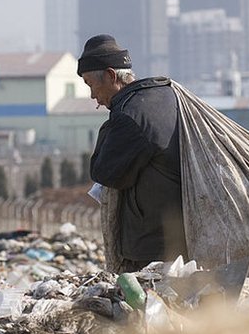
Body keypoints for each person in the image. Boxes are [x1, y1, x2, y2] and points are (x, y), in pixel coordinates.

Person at [78, 34, 187, 272]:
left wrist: (110, 123)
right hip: (183, 237)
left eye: (90, 84)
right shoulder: (164, 96)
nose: (92, 96)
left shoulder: (130, 116)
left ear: (110, 76)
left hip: (154, 247)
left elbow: (105, 173)